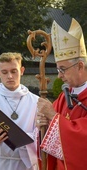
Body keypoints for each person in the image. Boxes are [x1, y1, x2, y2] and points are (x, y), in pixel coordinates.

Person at [36, 18, 87, 170]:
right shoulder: (62, 97)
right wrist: (42, 126)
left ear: (79, 66)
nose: (59, 76)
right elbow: (51, 142)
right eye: (58, 69)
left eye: (63, 69)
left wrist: (53, 116)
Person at [0, 52, 39, 170]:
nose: (9, 76)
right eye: (4, 72)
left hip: (26, 164)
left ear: (22, 70)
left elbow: (41, 133)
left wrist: (25, 140)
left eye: (14, 71)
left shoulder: (36, 101)